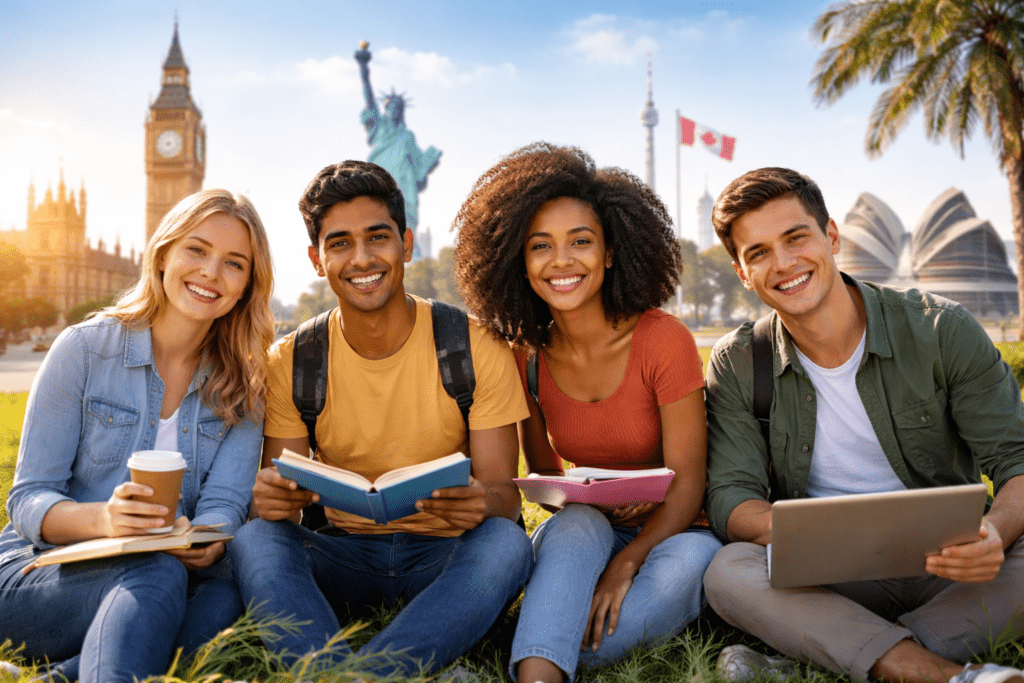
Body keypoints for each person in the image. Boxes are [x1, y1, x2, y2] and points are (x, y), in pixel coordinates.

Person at [702, 167, 1024, 683]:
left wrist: (996, 531)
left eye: (795, 238)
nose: (783, 264)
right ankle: (935, 671)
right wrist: (814, 535)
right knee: (727, 572)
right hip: (829, 576)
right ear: (743, 272)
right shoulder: (738, 360)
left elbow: (1016, 460)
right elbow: (730, 498)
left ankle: (827, 650)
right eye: (758, 253)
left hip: (950, 566)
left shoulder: (941, 329)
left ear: (831, 235)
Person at [230, 160, 533, 679]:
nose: (363, 258)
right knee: (256, 541)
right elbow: (285, 510)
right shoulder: (293, 361)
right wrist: (274, 501)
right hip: (343, 558)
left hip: (446, 558)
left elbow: (505, 500)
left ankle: (358, 677)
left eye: (378, 237)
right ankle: (336, 670)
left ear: (407, 244)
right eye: (340, 243)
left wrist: (481, 503)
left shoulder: (472, 345)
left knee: (507, 544)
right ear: (316, 259)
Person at [453, 142, 721, 683]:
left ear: (612, 252)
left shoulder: (662, 340)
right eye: (540, 246)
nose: (562, 262)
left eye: (581, 242)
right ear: (518, 262)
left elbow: (690, 480)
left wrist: (628, 562)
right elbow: (545, 475)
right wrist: (586, 497)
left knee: (687, 568)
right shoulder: (524, 357)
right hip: (591, 524)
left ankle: (541, 642)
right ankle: (539, 671)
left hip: (677, 528)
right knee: (575, 527)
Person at [0, 189, 275, 683]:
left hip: (170, 570)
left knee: (233, 584)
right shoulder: (83, 349)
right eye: (197, 249)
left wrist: (204, 539)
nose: (211, 271)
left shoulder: (244, 387)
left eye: (234, 263)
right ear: (164, 252)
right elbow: (26, 500)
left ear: (246, 287)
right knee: (157, 574)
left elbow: (225, 506)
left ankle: (65, 676)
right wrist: (106, 519)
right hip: (38, 575)